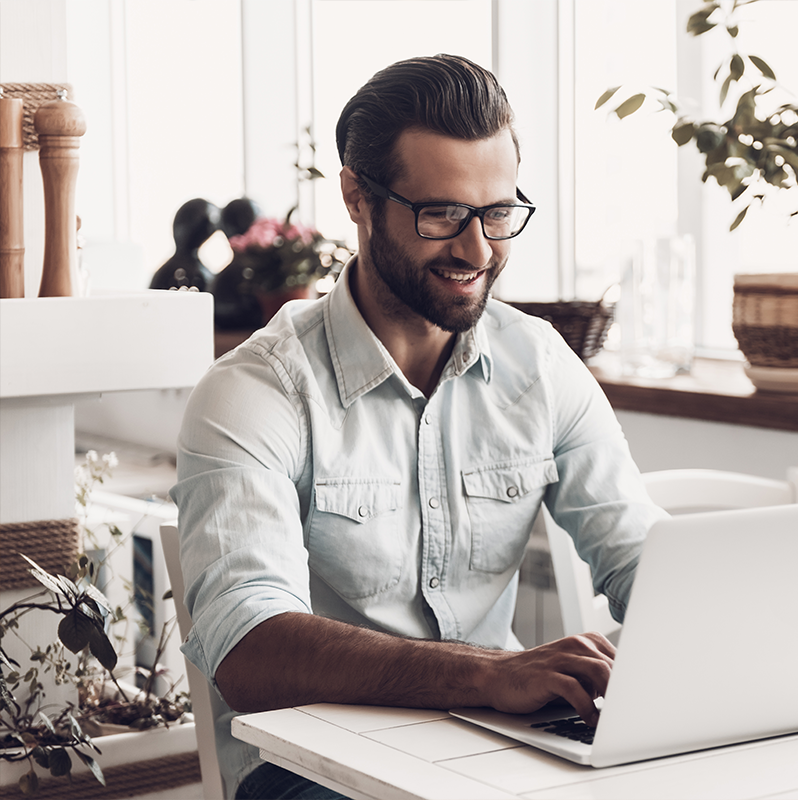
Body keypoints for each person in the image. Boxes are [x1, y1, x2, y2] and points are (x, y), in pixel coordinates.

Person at [170, 54, 667, 799]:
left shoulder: (539, 364)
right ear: (356, 197)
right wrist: (488, 672)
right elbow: (249, 649)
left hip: (498, 754)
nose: (477, 251)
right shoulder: (254, 391)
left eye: (498, 214)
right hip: (310, 770)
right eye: (441, 214)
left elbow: (640, 559)